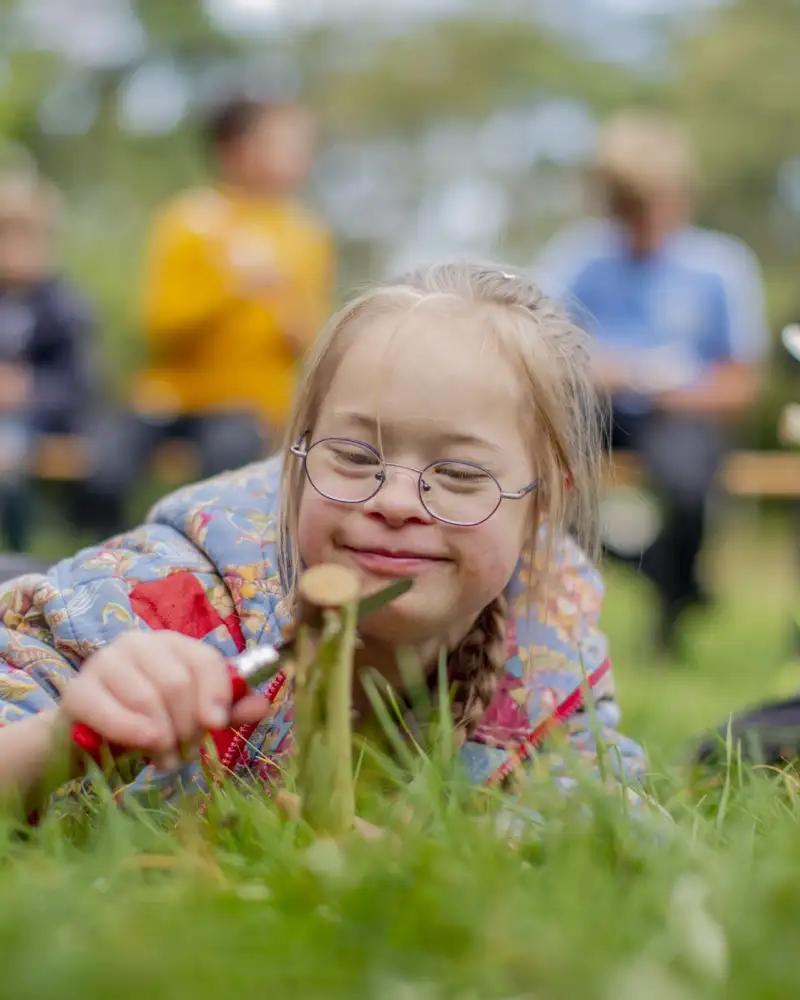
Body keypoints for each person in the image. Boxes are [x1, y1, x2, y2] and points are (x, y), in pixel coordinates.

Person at [0, 263, 647, 819]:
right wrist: (62, 739)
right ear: (297, 456)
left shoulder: (549, 630)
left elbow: (609, 818)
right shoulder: (173, 597)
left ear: (545, 503)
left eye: (458, 473)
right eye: (354, 455)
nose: (392, 501)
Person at [534, 109, 769, 656]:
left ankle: (677, 594)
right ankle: (575, 598)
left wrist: (672, 390)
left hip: (682, 415)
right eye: (628, 208)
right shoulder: (579, 260)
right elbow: (536, 349)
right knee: (536, 468)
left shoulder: (721, 266)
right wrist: (596, 370)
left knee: (687, 482)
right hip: (598, 411)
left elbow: (741, 385)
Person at [87, 93, 334, 536]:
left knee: (227, 472)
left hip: (248, 409)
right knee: (103, 469)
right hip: (170, 398)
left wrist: (282, 302)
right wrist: (232, 288)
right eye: (287, 143)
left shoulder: (304, 236)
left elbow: (311, 343)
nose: (302, 156)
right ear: (236, 149)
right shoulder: (187, 221)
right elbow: (160, 327)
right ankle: (114, 563)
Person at [0, 171, 95, 552]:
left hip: (39, 421)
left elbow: (79, 386)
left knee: (6, 449)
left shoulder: (64, 308)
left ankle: (14, 558)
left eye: (29, 236)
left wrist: (28, 390)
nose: (18, 248)